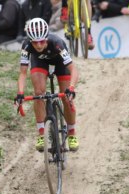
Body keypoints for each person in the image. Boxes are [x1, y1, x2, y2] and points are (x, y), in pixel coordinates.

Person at [15, 18, 79, 152]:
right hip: (40, 62)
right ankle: (41, 134)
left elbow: (73, 69)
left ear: (46, 38)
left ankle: (72, 133)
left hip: (61, 64)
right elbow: (22, 73)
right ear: (30, 41)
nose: (38, 45)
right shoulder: (26, 46)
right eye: (35, 42)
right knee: (38, 93)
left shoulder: (57, 43)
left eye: (42, 41)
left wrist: (71, 88)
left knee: (66, 97)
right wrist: (20, 93)